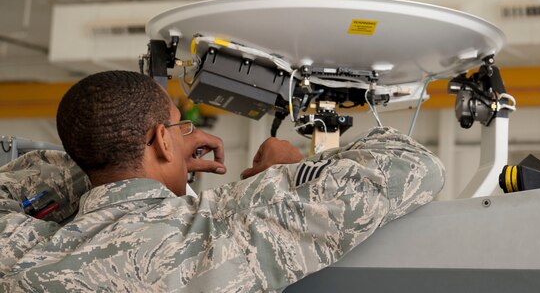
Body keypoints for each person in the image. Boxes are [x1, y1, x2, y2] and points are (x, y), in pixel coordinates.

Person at [0, 70, 444, 291]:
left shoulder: (21, 251)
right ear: (160, 139)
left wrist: (141, 161)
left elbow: (16, 185)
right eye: (177, 126)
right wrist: (285, 170)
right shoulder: (226, 229)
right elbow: (414, 166)